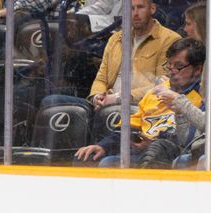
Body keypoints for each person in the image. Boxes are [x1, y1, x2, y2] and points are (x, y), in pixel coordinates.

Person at [74, 37, 205, 167]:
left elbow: (193, 141)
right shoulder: (156, 92)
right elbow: (128, 127)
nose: (171, 72)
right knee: (91, 159)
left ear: (198, 69)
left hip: (173, 156)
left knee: (161, 153)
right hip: (140, 154)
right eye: (169, 66)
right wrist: (103, 146)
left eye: (178, 66)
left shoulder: (203, 96)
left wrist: (155, 142)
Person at [88, 0, 181, 108]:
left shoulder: (169, 40)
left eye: (140, 7)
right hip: (107, 105)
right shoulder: (115, 39)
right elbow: (101, 79)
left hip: (142, 108)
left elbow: (163, 85)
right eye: (131, 9)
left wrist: (118, 98)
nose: (135, 13)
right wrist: (97, 97)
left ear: (152, 9)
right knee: (73, 106)